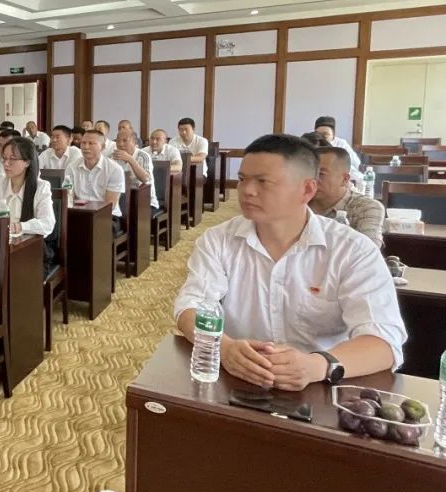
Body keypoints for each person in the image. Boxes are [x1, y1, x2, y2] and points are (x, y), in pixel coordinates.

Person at [173, 134, 406, 391]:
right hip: (239, 380)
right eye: (242, 180)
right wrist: (224, 348)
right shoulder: (218, 240)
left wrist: (317, 365)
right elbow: (190, 306)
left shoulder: (351, 250)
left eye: (263, 181)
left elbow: (384, 342)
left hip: (321, 387)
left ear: (307, 189)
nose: (247, 190)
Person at [0, 137, 55, 241]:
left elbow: (47, 223)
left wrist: (19, 227)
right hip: (1, 242)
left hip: (30, 246)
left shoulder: (41, 187)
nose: (6, 163)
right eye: (4, 158)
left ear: (27, 162)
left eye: (12, 159)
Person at [310, 146, 385, 247]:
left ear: (344, 179)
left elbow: (368, 251)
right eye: (308, 173)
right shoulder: (298, 202)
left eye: (320, 174)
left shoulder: (366, 207)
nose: (311, 180)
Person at [68, 129, 125, 233]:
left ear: (102, 147)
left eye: (91, 143)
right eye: (83, 143)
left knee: (90, 228)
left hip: (108, 216)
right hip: (78, 213)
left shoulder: (114, 169)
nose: (86, 147)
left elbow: (110, 205)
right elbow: (68, 195)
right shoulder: (71, 167)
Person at [113, 128, 159, 213]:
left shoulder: (143, 156)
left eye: (125, 141)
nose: (120, 144)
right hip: (119, 199)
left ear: (134, 142)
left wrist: (130, 160)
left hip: (143, 200)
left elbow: (146, 179)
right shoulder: (112, 157)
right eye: (117, 141)